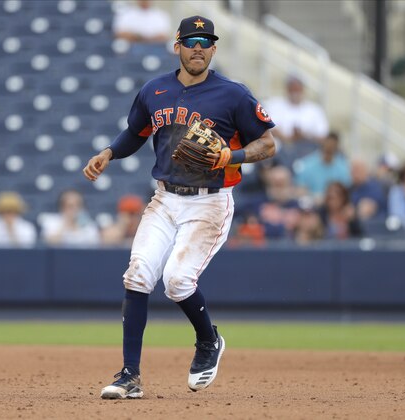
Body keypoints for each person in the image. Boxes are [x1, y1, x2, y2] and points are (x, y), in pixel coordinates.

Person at [83, 15, 276, 399]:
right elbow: (135, 133)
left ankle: (209, 340)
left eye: (206, 41)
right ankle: (129, 376)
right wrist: (109, 152)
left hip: (210, 202)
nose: (198, 48)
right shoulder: (154, 91)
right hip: (166, 197)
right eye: (191, 41)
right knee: (137, 275)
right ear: (178, 47)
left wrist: (230, 156)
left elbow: (268, 144)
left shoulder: (233, 94)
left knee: (177, 282)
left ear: (214, 49)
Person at [264, 75, 329, 144]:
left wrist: (304, 135)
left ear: (303, 89)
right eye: (292, 89)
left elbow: (323, 136)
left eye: (297, 89)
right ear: (287, 89)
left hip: (307, 148)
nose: (295, 93)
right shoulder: (273, 104)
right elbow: (264, 127)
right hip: (278, 147)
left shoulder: (315, 110)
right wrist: (283, 137)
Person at [294, 132, 351, 202]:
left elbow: (346, 191)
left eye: (332, 147)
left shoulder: (343, 168)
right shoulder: (307, 165)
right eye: (328, 147)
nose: (329, 149)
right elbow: (300, 190)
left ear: (336, 147)